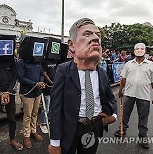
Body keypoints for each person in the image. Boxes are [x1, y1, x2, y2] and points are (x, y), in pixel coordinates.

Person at [48, 18, 117, 154]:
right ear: (72, 45)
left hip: (94, 127)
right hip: (70, 129)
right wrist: (54, 143)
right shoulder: (63, 70)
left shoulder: (102, 73)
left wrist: (113, 115)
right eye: (87, 34)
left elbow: (110, 97)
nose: (96, 38)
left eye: (98, 35)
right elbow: (55, 107)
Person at [114, 43, 153, 149]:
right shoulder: (128, 64)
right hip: (128, 94)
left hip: (144, 96)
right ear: (134, 50)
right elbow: (123, 79)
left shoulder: (152, 65)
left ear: (145, 51)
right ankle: (122, 129)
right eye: (137, 48)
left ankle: (143, 136)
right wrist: (121, 90)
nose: (139, 50)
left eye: (142, 49)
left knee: (143, 117)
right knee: (125, 114)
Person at [0, 56, 23, 154]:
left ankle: (12, 139)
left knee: (12, 118)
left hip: (9, 93)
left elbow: (15, 76)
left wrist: (8, 92)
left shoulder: (11, 59)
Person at [17, 58, 45, 149]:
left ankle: (33, 131)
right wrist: (34, 84)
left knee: (35, 113)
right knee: (27, 115)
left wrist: (40, 82)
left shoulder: (38, 60)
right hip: (27, 93)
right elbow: (21, 78)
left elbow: (42, 74)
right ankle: (26, 136)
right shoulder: (21, 62)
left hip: (37, 93)